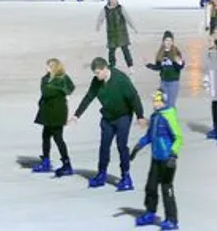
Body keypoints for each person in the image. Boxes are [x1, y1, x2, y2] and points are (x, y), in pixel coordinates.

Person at [70, 57, 146, 191]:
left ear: (105, 69)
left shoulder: (121, 79)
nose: (96, 76)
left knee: (122, 146)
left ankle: (126, 176)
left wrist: (140, 115)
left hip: (123, 116)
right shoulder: (96, 82)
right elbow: (88, 97)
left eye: (98, 72)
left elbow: (134, 97)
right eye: (95, 73)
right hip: (108, 117)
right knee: (104, 146)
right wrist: (76, 115)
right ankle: (101, 174)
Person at [131, 89, 182, 229]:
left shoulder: (169, 116)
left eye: (157, 101)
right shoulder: (154, 117)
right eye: (153, 101)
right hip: (156, 158)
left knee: (166, 189)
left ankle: (172, 219)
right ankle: (150, 212)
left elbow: (178, 137)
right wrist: (138, 146)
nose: (154, 104)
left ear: (163, 102)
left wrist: (173, 154)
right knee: (151, 186)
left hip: (167, 160)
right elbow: (149, 136)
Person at [32, 58, 75, 176]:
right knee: (46, 136)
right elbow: (45, 91)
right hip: (48, 112)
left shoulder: (62, 78)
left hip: (57, 112)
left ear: (55, 67)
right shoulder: (46, 79)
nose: (46, 68)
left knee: (58, 138)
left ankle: (66, 164)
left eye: (49, 66)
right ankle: (46, 160)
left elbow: (69, 88)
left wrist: (59, 89)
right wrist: (60, 90)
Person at [97, 0, 137, 69]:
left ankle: (130, 65)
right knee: (111, 51)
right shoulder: (105, 9)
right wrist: (98, 26)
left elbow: (128, 18)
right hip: (112, 34)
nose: (115, 0)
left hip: (122, 33)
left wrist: (133, 27)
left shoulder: (120, 8)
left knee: (125, 50)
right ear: (109, 0)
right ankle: (112, 65)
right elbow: (100, 18)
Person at [147, 31, 185, 106]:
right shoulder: (160, 53)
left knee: (171, 104)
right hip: (163, 82)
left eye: (170, 40)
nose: (168, 42)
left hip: (173, 82)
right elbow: (158, 67)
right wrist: (148, 65)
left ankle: (171, 117)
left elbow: (179, 67)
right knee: (162, 104)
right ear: (163, 41)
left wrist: (180, 63)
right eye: (167, 40)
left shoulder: (176, 52)